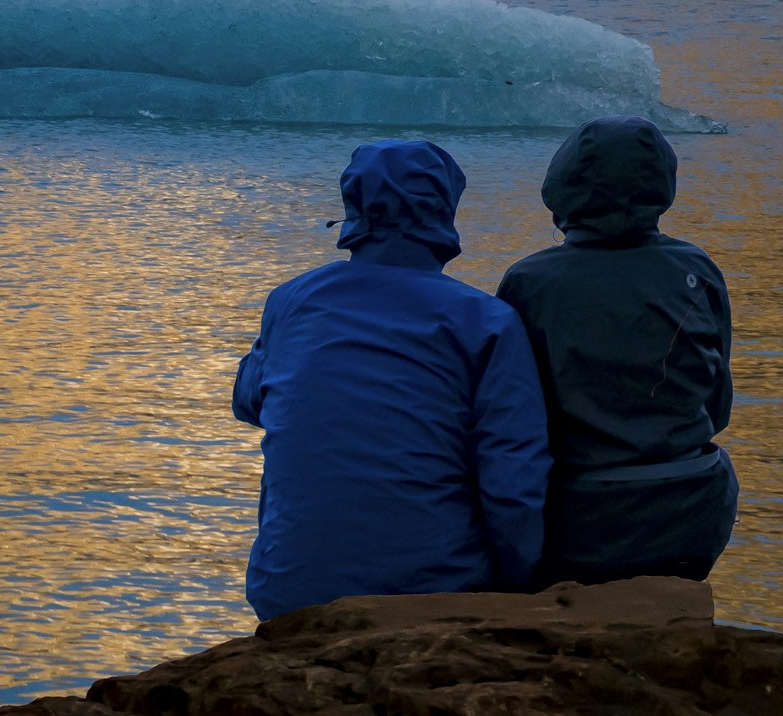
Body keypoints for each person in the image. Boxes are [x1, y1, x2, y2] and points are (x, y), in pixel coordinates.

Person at [232, 139, 550, 618]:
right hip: (434, 594)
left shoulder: (292, 300)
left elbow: (248, 402)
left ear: (353, 210)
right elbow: (512, 480)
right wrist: (523, 586)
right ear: (445, 210)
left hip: (287, 593)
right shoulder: (484, 320)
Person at [497, 115, 736, 584]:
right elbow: (718, 406)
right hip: (692, 510)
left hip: (581, 519)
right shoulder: (696, 268)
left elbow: (513, 420)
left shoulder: (528, 282)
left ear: (560, 187)